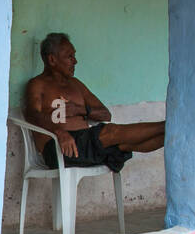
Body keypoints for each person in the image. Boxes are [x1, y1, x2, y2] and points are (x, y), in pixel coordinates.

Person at [23, 33, 165, 172]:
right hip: (58, 148)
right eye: (69, 56)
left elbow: (105, 114)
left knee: (127, 144)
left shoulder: (75, 84)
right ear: (52, 60)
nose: (75, 61)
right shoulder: (38, 84)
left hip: (87, 145)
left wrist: (81, 110)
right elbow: (32, 115)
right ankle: (169, 125)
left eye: (74, 55)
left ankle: (173, 131)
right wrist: (59, 132)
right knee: (111, 132)